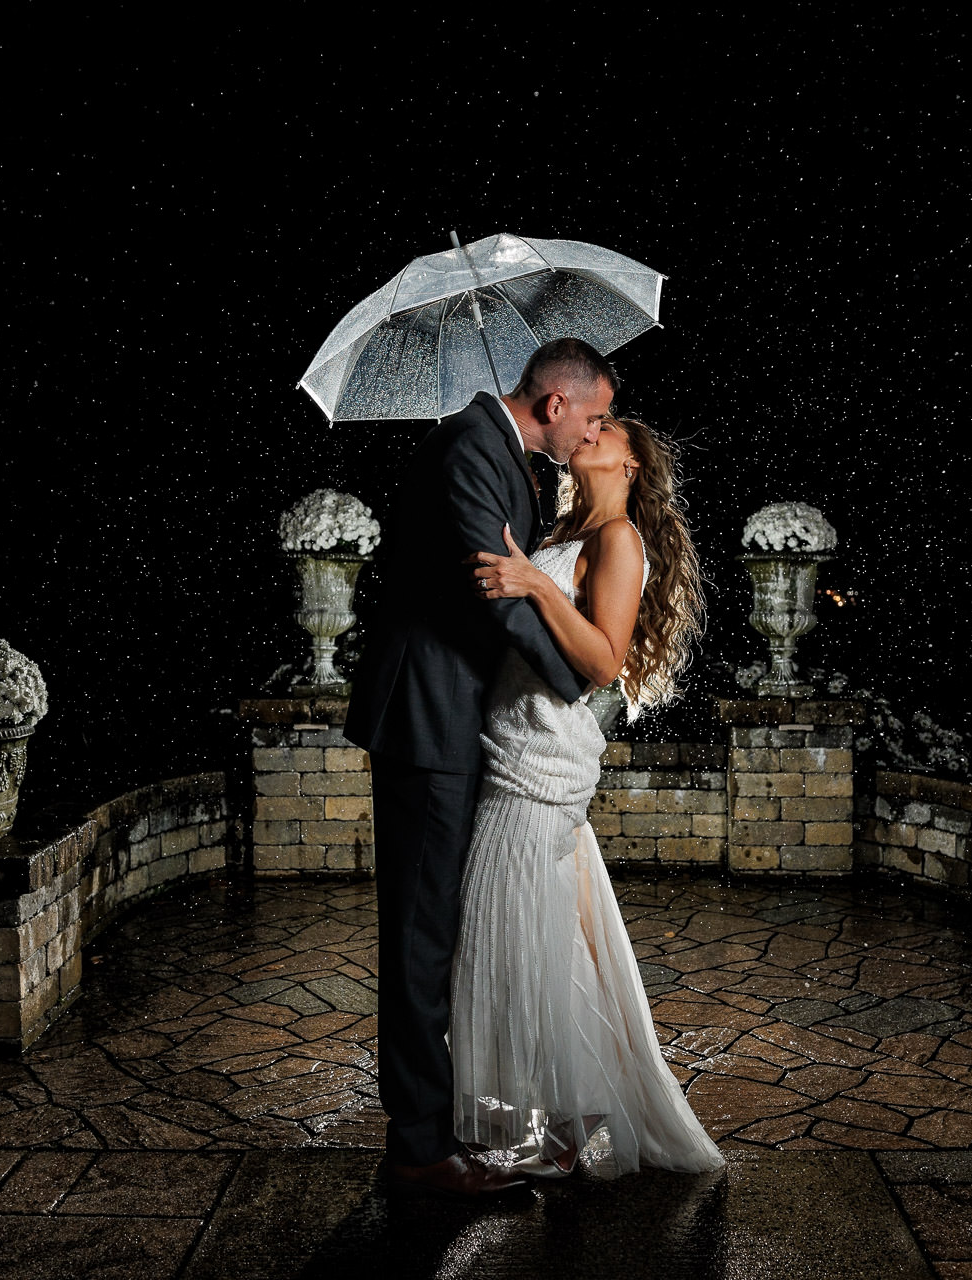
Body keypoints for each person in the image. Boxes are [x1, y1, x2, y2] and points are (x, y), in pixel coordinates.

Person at [345, 337, 617, 1198]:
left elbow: (513, 579)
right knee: (422, 939)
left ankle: (442, 1119)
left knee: (439, 933)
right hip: (429, 722)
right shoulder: (471, 446)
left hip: (455, 723)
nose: (597, 432)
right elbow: (488, 586)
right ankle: (419, 1150)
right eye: (597, 416)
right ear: (555, 405)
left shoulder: (505, 453)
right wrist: (578, 669)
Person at [456, 412, 724, 1178]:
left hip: (542, 758)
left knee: (517, 938)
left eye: (608, 426)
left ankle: (556, 1129)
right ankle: (573, 1120)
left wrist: (536, 581)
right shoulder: (561, 521)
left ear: (633, 463)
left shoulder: (620, 541)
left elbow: (603, 661)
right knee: (538, 942)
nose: (590, 428)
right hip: (508, 738)